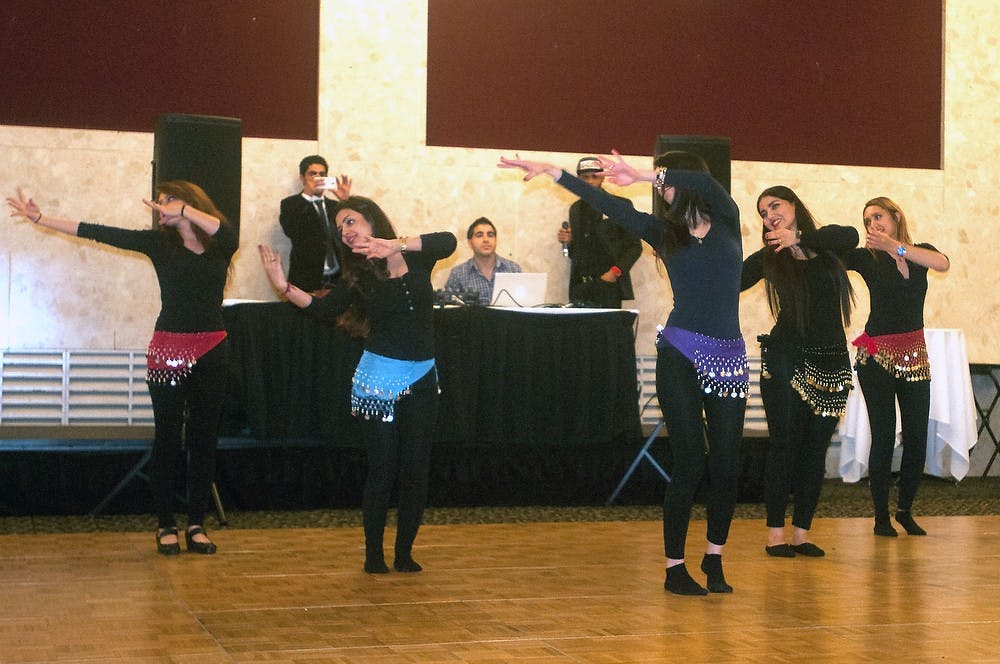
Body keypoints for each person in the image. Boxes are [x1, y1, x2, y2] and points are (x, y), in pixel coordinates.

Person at [499, 150, 747, 596]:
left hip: (728, 356)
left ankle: (715, 557)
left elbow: (705, 185)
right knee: (690, 458)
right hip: (680, 352)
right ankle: (675, 568)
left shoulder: (727, 217)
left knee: (727, 463)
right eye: (658, 184)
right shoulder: (664, 233)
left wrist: (644, 172)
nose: (660, 190)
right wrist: (555, 173)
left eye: (665, 181)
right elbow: (612, 206)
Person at [6, 182, 237, 556]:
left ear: (189, 204)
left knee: (203, 438)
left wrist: (183, 211)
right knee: (168, 437)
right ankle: (166, 524)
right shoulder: (159, 243)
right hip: (169, 349)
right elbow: (98, 232)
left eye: (169, 201)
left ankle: (197, 524)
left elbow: (226, 231)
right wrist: (41, 218)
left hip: (212, 348)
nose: (161, 207)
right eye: (160, 202)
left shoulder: (220, 245)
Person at [259, 195, 457, 573]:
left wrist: (395, 244)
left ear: (370, 219)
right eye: (340, 229)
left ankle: (404, 554)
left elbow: (447, 240)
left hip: (422, 377)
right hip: (378, 381)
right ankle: (373, 555)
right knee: (383, 468)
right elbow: (323, 310)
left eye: (350, 222)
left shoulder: (416, 256)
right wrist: (284, 285)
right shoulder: (358, 275)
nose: (345, 232)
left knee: (416, 468)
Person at [741, 186, 858, 558]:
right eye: (762, 212)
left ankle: (801, 533)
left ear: (794, 207)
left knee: (815, 448)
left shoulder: (828, 247)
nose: (769, 215)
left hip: (832, 360)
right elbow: (730, 280)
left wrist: (801, 238)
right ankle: (776, 534)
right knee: (784, 445)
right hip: (786, 358)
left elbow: (850, 235)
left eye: (775, 206)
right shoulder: (768, 258)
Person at [844, 197, 950, 537]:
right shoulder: (867, 258)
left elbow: (943, 262)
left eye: (878, 217)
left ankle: (904, 510)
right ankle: (880, 518)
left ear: (895, 216)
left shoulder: (919, 252)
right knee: (884, 435)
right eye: (867, 221)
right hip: (876, 355)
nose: (873, 224)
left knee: (918, 436)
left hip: (914, 354)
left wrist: (898, 248)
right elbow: (832, 249)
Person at [558, 157, 642, 308]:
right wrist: (570, 241)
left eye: (595, 176)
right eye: (585, 177)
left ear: (603, 177)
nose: (590, 181)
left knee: (607, 331)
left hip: (608, 286)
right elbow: (576, 253)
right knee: (580, 331)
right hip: (580, 286)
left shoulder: (620, 205)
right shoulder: (575, 209)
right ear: (578, 179)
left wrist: (614, 273)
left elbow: (635, 247)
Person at [279, 155, 352, 293]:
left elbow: (352, 232)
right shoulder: (291, 204)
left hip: (337, 278)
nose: (317, 178)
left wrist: (346, 202)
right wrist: (309, 195)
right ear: (302, 178)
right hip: (306, 279)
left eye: (322, 174)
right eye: (313, 174)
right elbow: (292, 231)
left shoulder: (336, 206)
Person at [444, 216, 522, 305]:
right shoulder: (458, 274)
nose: (486, 240)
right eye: (479, 235)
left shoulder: (513, 270)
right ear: (470, 242)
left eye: (490, 235)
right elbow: (450, 312)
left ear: (496, 240)